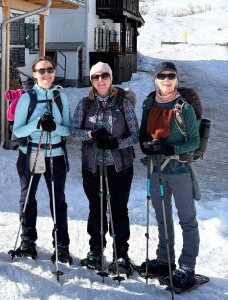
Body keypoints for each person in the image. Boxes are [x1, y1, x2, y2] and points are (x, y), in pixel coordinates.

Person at [71, 62, 139, 275]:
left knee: (118, 210)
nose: (100, 80)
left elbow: (135, 135)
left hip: (119, 167)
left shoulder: (123, 104)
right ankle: (96, 250)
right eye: (95, 76)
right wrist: (91, 135)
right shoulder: (85, 104)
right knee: (96, 209)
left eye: (105, 75)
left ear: (111, 77)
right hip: (92, 166)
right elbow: (74, 132)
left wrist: (116, 144)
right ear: (91, 80)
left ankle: (121, 254)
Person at [139, 62, 200, 289]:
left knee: (187, 220)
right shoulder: (149, 102)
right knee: (162, 218)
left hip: (179, 171)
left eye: (170, 76)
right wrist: (145, 144)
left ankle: (187, 267)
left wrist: (169, 149)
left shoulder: (184, 108)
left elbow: (193, 141)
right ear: (156, 79)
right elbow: (143, 132)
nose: (166, 80)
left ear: (176, 79)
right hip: (155, 171)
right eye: (162, 76)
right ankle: (165, 260)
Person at [11, 56, 72, 264]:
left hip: (55, 154)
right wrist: (38, 123)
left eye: (50, 70)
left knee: (58, 200)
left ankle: (62, 245)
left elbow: (68, 130)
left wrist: (55, 127)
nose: (46, 74)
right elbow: (17, 130)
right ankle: (28, 241)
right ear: (35, 74)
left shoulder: (61, 97)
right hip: (32, 152)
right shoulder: (27, 98)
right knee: (28, 197)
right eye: (41, 71)